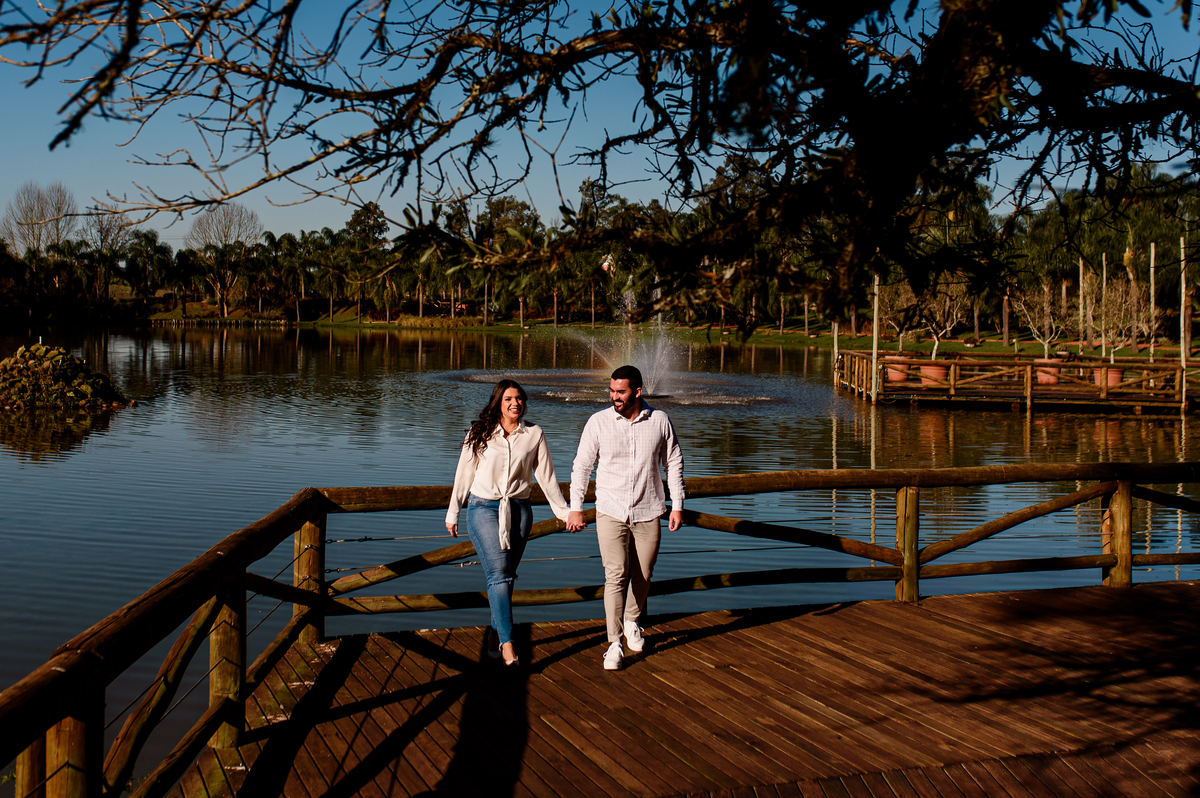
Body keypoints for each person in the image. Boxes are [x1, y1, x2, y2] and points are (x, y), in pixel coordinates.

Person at [566, 365, 685, 671]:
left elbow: (673, 461)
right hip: (610, 510)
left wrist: (677, 504)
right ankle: (614, 643)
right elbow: (582, 466)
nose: (614, 397)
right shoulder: (598, 422)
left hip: (649, 509)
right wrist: (575, 506)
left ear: (637, 391)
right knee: (615, 575)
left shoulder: (659, 420)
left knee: (644, 574)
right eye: (611, 391)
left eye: (620, 392)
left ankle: (632, 620)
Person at [447, 379, 570, 666]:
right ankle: (508, 643)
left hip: (520, 510)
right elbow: (464, 474)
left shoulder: (534, 434)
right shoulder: (480, 432)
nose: (515, 403)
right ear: (498, 403)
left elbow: (546, 477)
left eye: (519, 398)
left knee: (506, 576)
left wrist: (564, 513)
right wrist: (453, 512)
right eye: (508, 399)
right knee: (499, 574)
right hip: (483, 508)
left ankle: (494, 634)